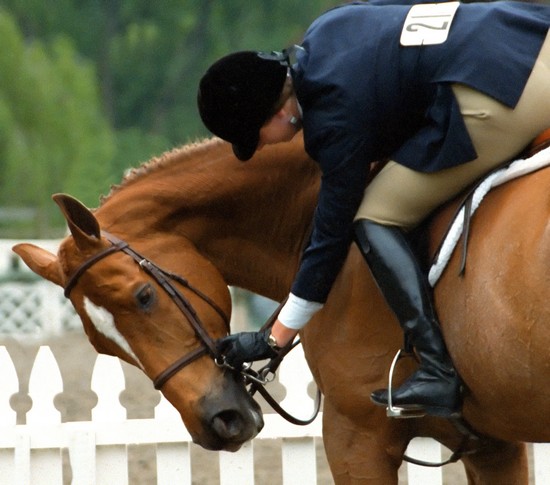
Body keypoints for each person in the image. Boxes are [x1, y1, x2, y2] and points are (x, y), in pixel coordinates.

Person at [197, 0, 550, 418]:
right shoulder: (328, 28)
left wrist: (274, 338)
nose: (268, 147)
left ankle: (437, 370)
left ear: (277, 116)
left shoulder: (332, 118)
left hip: (503, 90)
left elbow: (330, 238)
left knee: (375, 215)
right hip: (531, 36)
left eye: (257, 139)